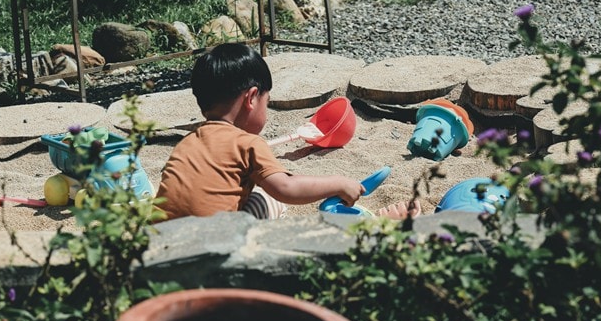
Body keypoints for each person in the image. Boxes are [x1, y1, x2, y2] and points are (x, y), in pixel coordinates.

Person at [155, 43, 420, 221]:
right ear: (251, 98)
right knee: (268, 198)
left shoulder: (186, 144)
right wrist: (340, 182)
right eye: (266, 103)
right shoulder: (247, 143)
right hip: (212, 256)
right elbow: (286, 188)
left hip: (163, 247)